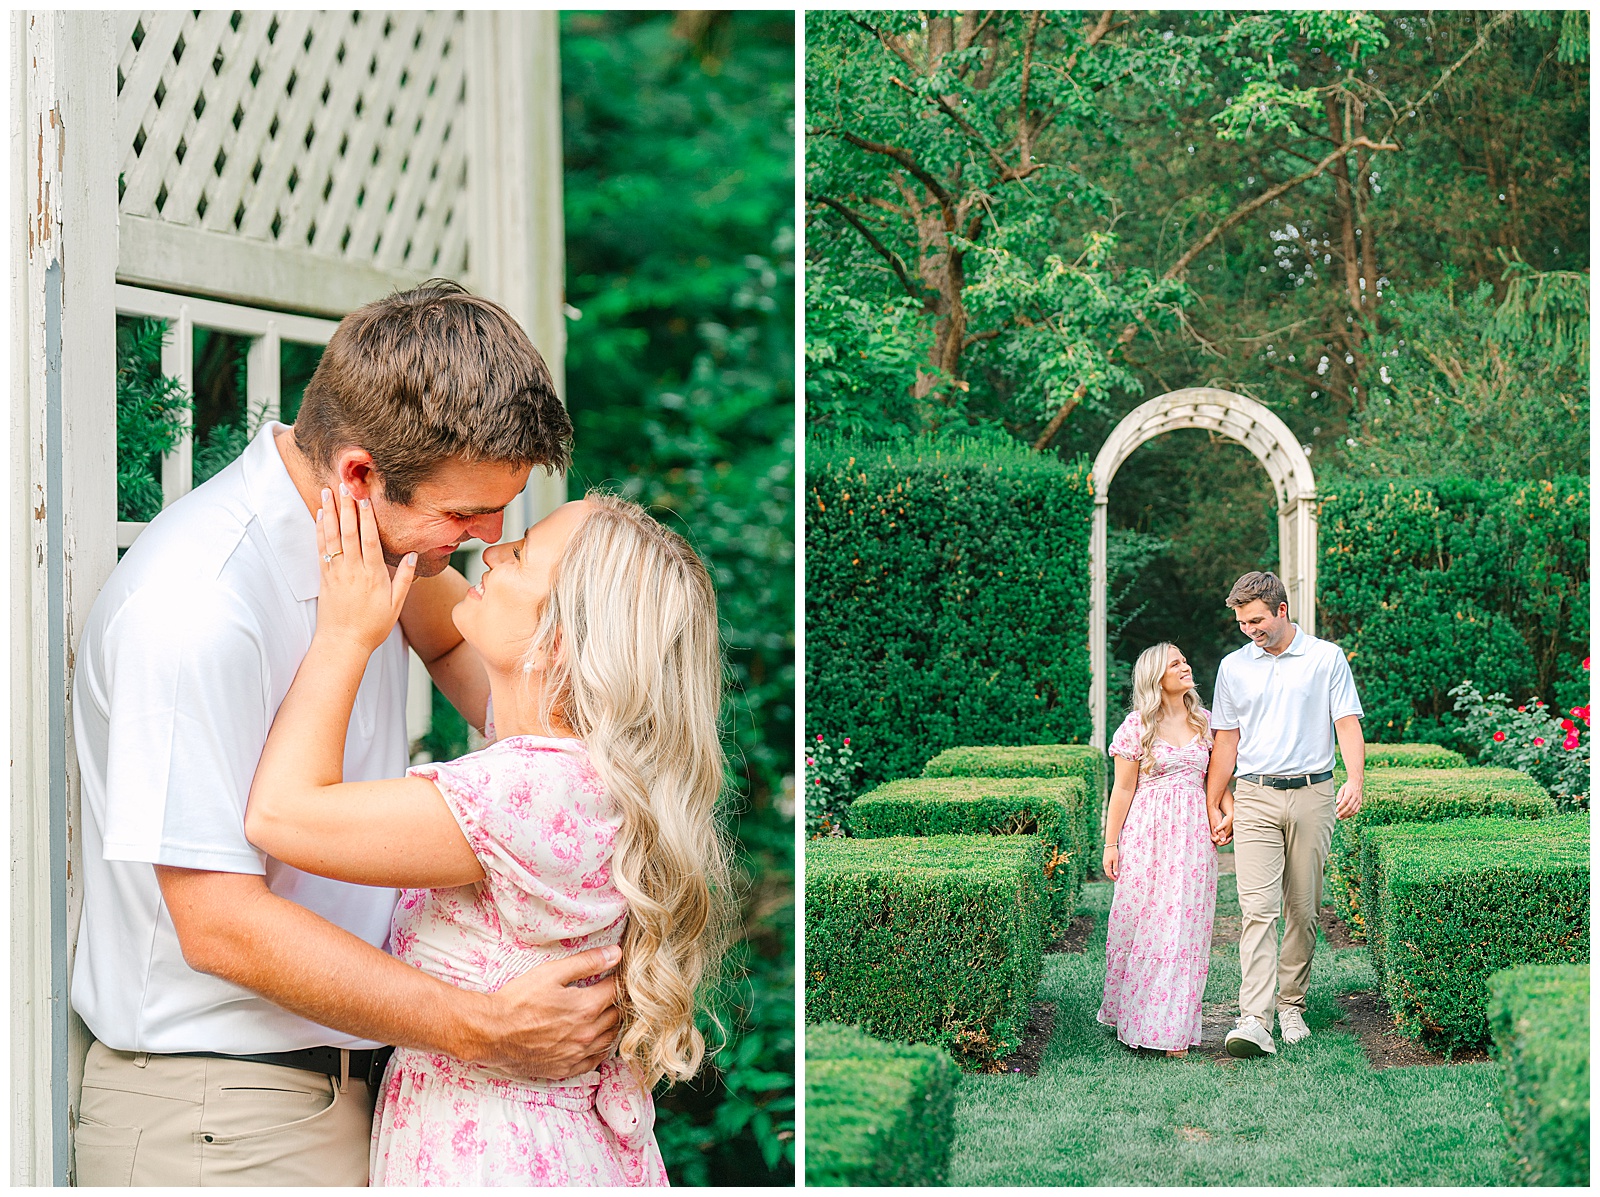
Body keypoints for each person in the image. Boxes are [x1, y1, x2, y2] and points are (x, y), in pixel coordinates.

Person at [70, 282, 620, 1186]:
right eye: (466, 515)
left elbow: (467, 644)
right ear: (361, 475)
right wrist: (482, 1026)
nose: (489, 541)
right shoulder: (194, 611)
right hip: (227, 1119)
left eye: (506, 510)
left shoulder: (383, 545)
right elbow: (220, 926)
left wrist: (592, 788)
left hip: (360, 1085)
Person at [246, 487, 731, 1185]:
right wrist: (389, 502)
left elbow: (282, 815)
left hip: (492, 1157)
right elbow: (446, 641)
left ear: (557, 639)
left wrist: (345, 634)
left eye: (522, 552)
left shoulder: (527, 793)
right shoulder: (578, 770)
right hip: (544, 1146)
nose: (493, 551)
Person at [1208, 571, 1365, 1059]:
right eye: (1241, 622)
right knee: (1257, 910)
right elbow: (1226, 739)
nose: (1248, 629)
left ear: (1281, 610)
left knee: (1303, 908)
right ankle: (1254, 1018)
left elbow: (1346, 722)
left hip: (1313, 795)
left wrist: (1354, 779)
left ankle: (1290, 1004)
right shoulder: (1233, 667)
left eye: (1255, 620)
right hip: (1254, 796)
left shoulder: (1325, 658)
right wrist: (1215, 799)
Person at [1097, 643, 1218, 1058]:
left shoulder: (1204, 722)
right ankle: (1137, 1015)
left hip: (1193, 838)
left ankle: (1172, 1027)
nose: (1186, 667)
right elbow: (1123, 789)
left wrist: (1227, 813)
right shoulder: (1136, 726)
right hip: (1147, 836)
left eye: (1186, 660)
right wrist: (1111, 844)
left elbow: (1218, 781)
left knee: (1184, 929)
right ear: (1156, 677)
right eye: (1175, 664)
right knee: (1142, 927)